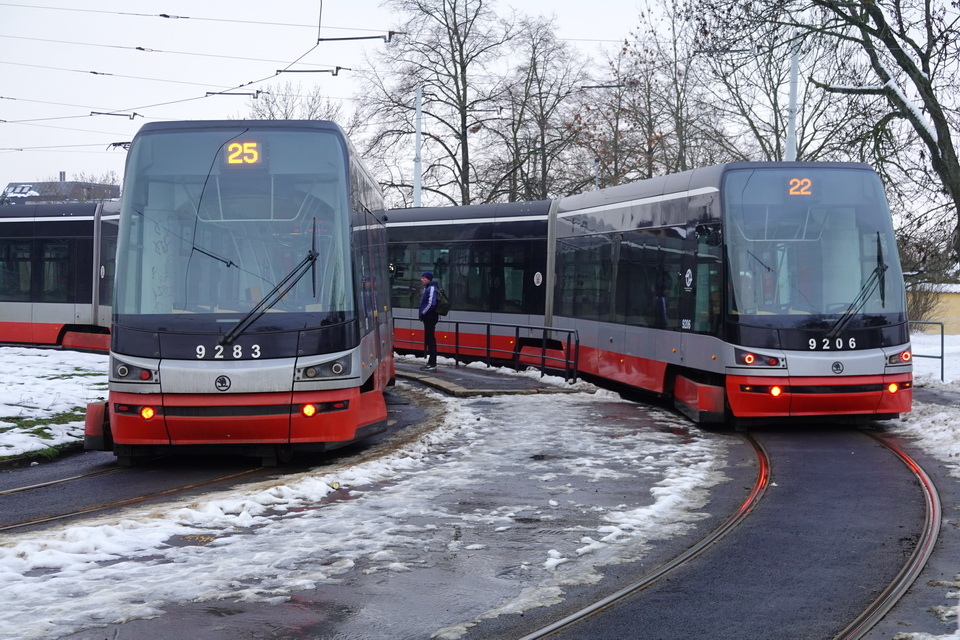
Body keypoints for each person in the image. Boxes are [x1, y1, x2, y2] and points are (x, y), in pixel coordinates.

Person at [418, 271, 440, 371]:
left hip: (430, 317)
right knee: (429, 339)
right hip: (429, 317)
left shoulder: (431, 288)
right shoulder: (428, 288)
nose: (421, 279)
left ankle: (432, 363)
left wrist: (423, 313)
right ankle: (431, 362)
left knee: (430, 339)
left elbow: (431, 303)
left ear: (428, 279)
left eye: (423, 278)